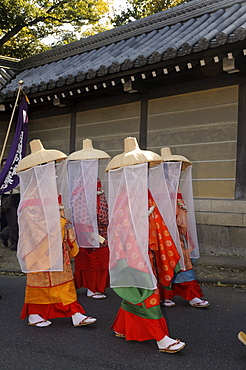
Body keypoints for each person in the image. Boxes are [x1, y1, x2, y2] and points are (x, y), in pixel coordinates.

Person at [106, 137, 186, 353]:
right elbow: (119, 227)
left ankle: (123, 326)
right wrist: (140, 219)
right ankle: (161, 338)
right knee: (149, 293)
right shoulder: (123, 196)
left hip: (146, 250)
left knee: (137, 292)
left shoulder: (144, 192)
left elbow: (156, 219)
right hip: (133, 253)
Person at [16, 139, 97, 327]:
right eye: (48, 168)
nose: (52, 172)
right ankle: (36, 314)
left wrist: (61, 220)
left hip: (54, 240)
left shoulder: (50, 190)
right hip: (38, 244)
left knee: (62, 276)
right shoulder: (31, 193)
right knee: (40, 278)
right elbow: (29, 218)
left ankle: (74, 312)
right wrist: (54, 217)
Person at [155, 148, 209, 308]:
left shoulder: (173, 186)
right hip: (164, 232)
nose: (174, 171)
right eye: (170, 167)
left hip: (176, 233)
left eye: (175, 167)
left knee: (181, 262)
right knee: (167, 263)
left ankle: (190, 295)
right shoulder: (159, 186)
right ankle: (167, 295)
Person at [67, 139, 110, 299]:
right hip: (90, 225)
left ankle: (91, 286)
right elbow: (84, 205)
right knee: (93, 256)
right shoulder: (84, 183)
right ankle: (93, 288)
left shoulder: (85, 182)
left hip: (90, 225)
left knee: (91, 255)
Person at [0, 159, 20, 251]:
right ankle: (14, 244)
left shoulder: (16, 174)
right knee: (13, 223)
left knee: (20, 221)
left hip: (18, 197)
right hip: (7, 199)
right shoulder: (1, 176)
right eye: (4, 165)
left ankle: (5, 234)